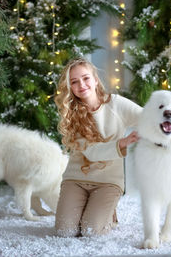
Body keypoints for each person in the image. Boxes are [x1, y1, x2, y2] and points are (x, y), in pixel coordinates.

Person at [54, 57, 142, 237]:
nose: (82, 85)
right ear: (70, 87)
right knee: (65, 231)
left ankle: (108, 212)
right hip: (76, 179)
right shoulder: (71, 113)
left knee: (91, 232)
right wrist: (122, 143)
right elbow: (92, 152)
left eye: (86, 78)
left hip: (108, 181)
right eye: (74, 82)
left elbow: (146, 118)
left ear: (95, 79)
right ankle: (89, 208)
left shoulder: (116, 104)